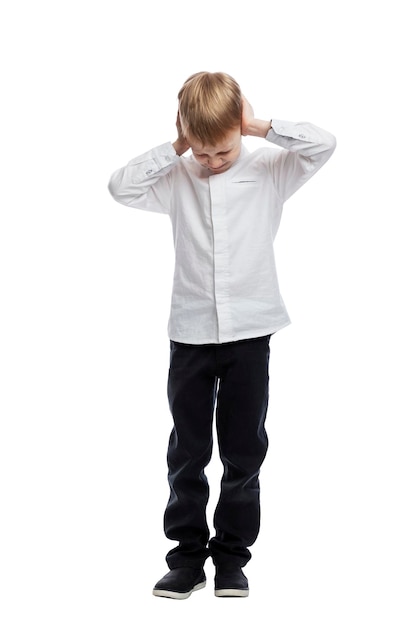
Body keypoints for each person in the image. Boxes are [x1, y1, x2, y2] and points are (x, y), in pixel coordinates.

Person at [108, 71, 336, 599]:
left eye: (223, 150)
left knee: (243, 448)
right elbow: (122, 187)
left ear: (238, 128)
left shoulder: (270, 167)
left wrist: (256, 126)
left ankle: (232, 557)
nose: (212, 163)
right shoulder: (177, 175)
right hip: (189, 334)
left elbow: (324, 144)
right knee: (187, 449)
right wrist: (177, 146)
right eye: (202, 153)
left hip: (251, 333)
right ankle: (186, 557)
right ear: (188, 138)